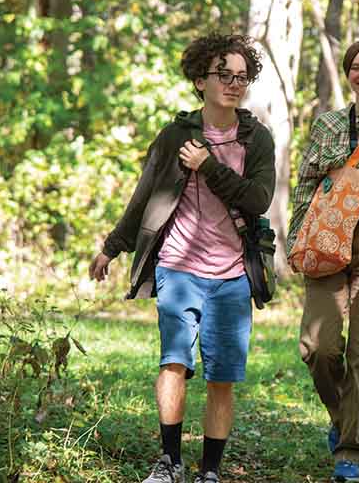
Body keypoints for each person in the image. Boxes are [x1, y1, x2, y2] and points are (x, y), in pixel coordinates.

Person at [89, 33, 276, 483]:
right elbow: (144, 198)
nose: (234, 83)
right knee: (173, 360)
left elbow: (259, 199)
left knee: (222, 377)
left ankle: (209, 471)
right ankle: (170, 462)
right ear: (199, 80)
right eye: (223, 75)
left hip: (233, 273)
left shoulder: (256, 139)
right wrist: (112, 247)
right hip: (178, 265)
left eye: (242, 76)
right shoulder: (176, 134)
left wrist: (208, 165)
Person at [286, 37, 359, 483]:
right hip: (326, 237)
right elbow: (306, 181)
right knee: (318, 348)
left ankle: (350, 452)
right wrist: (298, 237)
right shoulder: (327, 124)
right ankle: (343, 420)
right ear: (348, 73)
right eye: (356, 66)